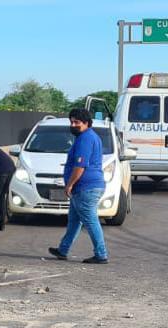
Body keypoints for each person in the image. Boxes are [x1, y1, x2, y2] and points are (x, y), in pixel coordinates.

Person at [48, 108, 108, 264]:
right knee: (74, 221)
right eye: (71, 122)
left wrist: (69, 185)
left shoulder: (85, 139)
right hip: (85, 187)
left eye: (77, 122)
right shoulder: (89, 137)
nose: (73, 125)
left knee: (91, 221)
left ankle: (101, 254)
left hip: (85, 187)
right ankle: (63, 249)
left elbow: (80, 165)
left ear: (86, 123)